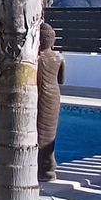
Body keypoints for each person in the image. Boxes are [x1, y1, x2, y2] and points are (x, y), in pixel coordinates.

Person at [37, 21, 65, 182]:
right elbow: (61, 80)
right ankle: (49, 168)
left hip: (38, 94)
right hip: (54, 95)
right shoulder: (59, 57)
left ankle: (41, 167)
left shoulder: (34, 59)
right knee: (49, 132)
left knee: (38, 131)